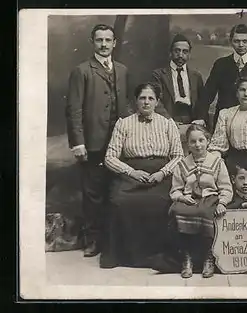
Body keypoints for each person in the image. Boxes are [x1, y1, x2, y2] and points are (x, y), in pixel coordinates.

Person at [65, 24, 132, 257]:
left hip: (119, 142)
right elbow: (73, 109)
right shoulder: (82, 70)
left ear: (115, 43)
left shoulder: (122, 70)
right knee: (93, 192)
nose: (104, 45)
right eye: (99, 40)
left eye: (108, 40)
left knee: (115, 191)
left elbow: (126, 105)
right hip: (92, 143)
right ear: (92, 42)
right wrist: (78, 142)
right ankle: (93, 239)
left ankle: (113, 240)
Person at [100, 82, 184, 268]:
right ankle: (125, 257)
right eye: (142, 98)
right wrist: (132, 172)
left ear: (157, 102)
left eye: (150, 98)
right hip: (131, 173)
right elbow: (110, 157)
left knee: (163, 202)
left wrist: (162, 173)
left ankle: (160, 256)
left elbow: (178, 156)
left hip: (161, 174)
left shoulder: (167, 124)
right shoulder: (124, 124)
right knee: (119, 201)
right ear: (136, 101)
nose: (146, 102)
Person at [169, 124, 233, 279]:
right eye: (192, 142)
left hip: (210, 198)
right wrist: (182, 197)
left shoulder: (217, 162)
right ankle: (187, 257)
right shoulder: (182, 165)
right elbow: (175, 190)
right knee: (177, 211)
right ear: (187, 144)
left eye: (201, 140)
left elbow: (226, 188)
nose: (197, 145)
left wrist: (222, 203)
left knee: (205, 213)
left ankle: (208, 257)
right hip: (189, 199)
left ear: (208, 141)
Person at [194, 24, 247, 130]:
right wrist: (200, 117)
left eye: (245, 41)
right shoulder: (221, 64)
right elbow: (208, 93)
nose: (241, 45)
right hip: (224, 124)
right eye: (237, 41)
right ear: (231, 41)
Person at [151, 34, 204, 125]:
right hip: (168, 119)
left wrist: (200, 118)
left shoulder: (196, 76)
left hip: (191, 120)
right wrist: (169, 121)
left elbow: (202, 101)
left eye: (185, 52)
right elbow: (156, 100)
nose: (180, 55)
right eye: (177, 51)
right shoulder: (158, 75)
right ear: (170, 52)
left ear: (189, 55)